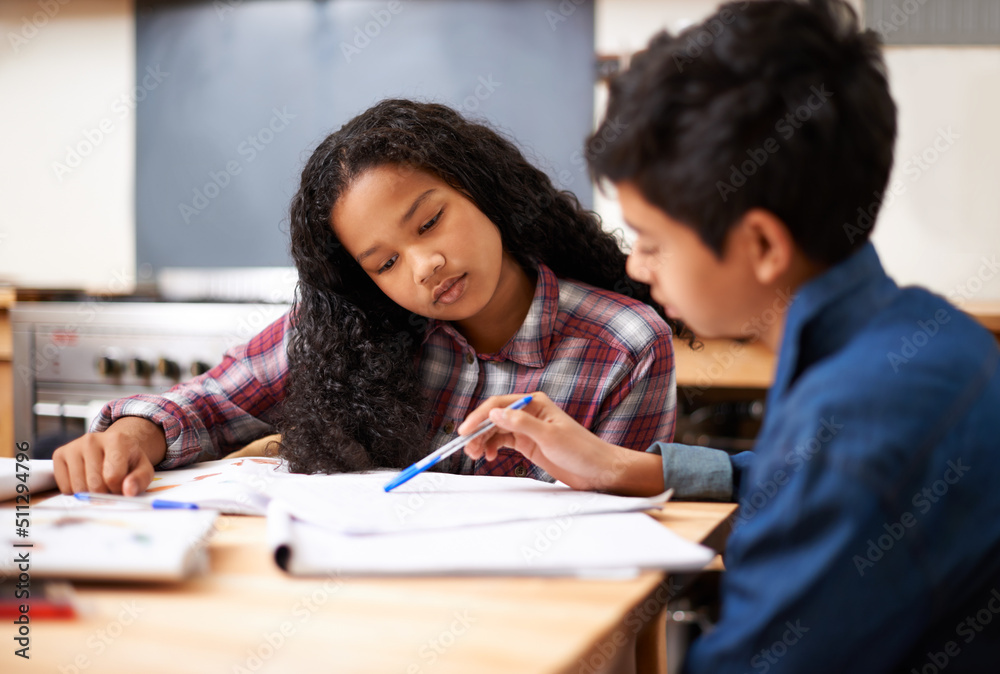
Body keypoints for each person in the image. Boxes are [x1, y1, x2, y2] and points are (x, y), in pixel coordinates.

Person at [460, 1, 1000, 671]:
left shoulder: (858, 423)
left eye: (653, 241)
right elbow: (795, 479)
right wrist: (626, 468)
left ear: (763, 245)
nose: (636, 266)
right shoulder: (926, 330)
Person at [52, 99, 681, 497]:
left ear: (485, 192)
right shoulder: (356, 332)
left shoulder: (624, 344)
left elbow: (629, 525)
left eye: (430, 222)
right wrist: (135, 433)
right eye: (384, 262)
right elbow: (211, 402)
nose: (425, 266)